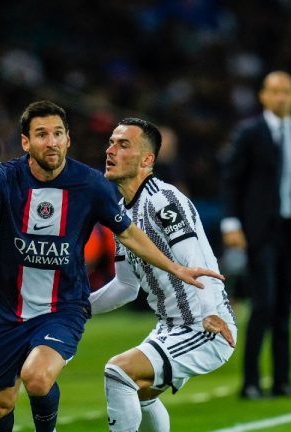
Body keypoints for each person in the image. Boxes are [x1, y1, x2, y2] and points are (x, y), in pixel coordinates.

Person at [0, 101, 224, 432]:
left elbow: (135, 236)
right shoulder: (7, 176)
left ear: (68, 139)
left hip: (62, 310)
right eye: (42, 135)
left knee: (42, 378)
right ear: (26, 142)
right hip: (10, 311)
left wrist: (178, 270)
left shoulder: (95, 186)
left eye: (58, 134)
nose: (51, 142)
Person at [89, 118, 236, 431]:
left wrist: (210, 312)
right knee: (139, 391)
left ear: (147, 160)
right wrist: (76, 308)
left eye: (123, 144)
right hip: (170, 326)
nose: (110, 150)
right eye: (111, 142)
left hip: (203, 325)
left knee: (119, 372)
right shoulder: (121, 213)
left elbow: (191, 257)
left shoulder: (162, 199)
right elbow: (126, 286)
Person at [220, 71, 291, 400]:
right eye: (274, 91)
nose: (281, 97)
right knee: (264, 303)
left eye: (286, 91)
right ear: (263, 97)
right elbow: (232, 181)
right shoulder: (249, 134)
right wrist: (231, 223)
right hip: (260, 231)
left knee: (283, 307)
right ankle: (251, 382)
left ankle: (282, 381)